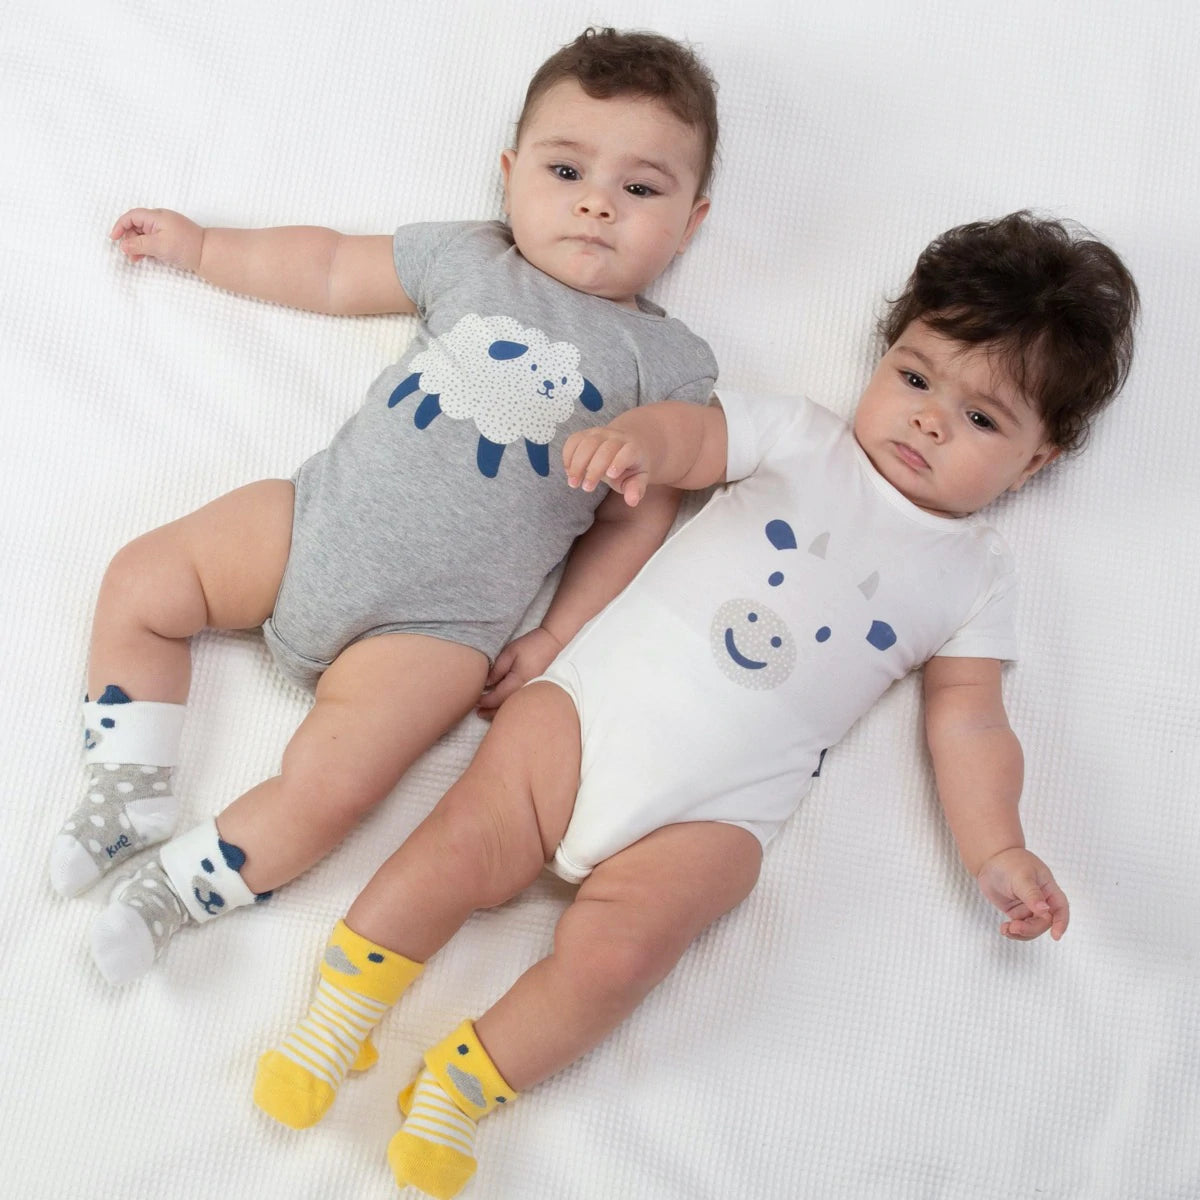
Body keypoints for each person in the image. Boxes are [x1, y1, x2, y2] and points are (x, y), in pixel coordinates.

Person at [250, 211, 1137, 1200]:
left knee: (625, 955)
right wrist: (636, 441)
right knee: (459, 845)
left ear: (1037, 461)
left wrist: (998, 847)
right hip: (589, 715)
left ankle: (465, 1084)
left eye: (983, 420)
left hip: (719, 811)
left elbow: (969, 720)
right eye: (917, 378)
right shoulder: (802, 438)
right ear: (885, 356)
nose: (929, 421)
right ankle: (335, 1022)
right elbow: (696, 435)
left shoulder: (976, 574)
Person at [50, 27, 721, 986]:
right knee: (144, 579)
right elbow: (328, 267)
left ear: (691, 222)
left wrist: (557, 634)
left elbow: (636, 518)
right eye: (567, 169)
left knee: (334, 787)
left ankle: (174, 893)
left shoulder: (670, 366)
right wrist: (201, 248)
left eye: (642, 189)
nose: (596, 203)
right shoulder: (473, 257)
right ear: (510, 175)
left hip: (436, 631)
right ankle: (126, 786)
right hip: (310, 524)